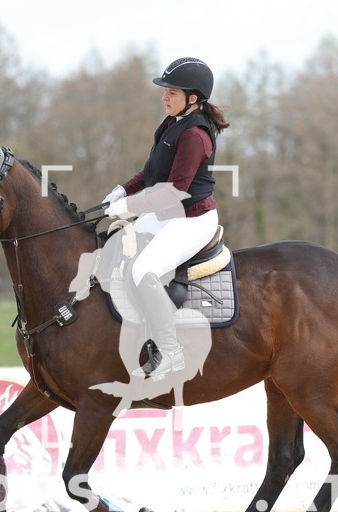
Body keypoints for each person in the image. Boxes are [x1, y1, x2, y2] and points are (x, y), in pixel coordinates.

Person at [103, 57, 230, 377]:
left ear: (193, 98)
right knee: (114, 243)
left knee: (145, 269)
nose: (164, 97)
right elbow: (152, 172)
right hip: (167, 215)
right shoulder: (173, 124)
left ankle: (171, 350)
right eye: (166, 92)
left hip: (191, 220)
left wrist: (129, 208)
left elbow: (175, 191)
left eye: (171, 92)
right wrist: (123, 190)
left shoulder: (195, 135)